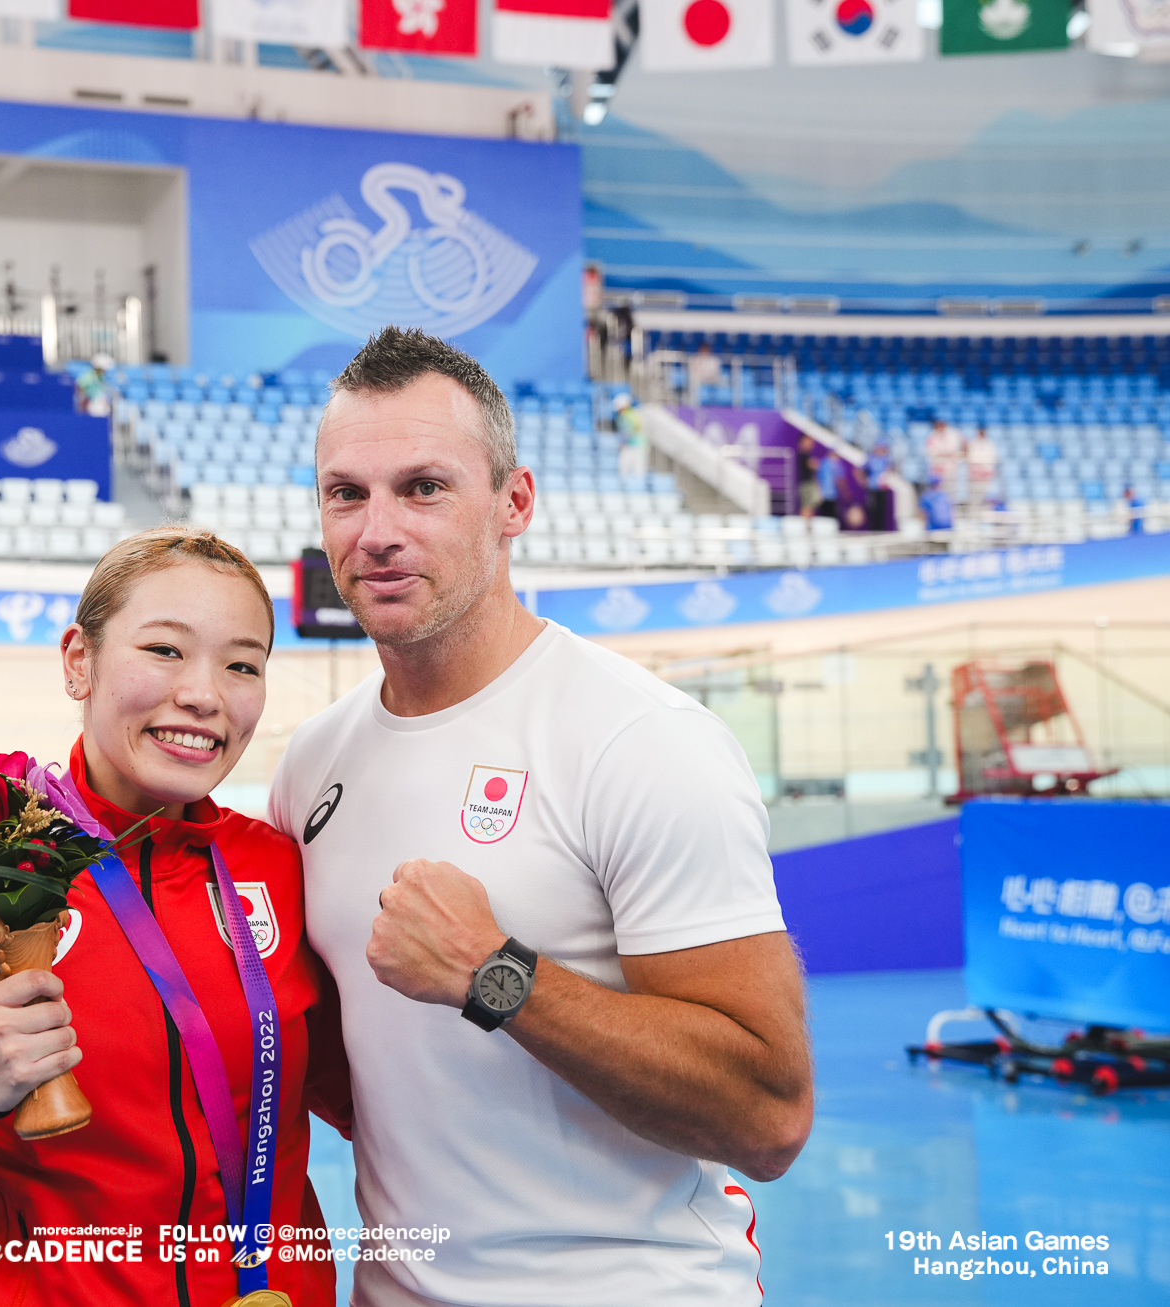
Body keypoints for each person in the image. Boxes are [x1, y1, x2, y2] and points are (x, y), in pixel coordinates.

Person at [268, 327, 811, 1307]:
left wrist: (496, 975)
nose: (376, 529)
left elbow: (768, 1115)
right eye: (346, 492)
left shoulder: (638, 738)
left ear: (513, 503)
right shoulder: (311, 763)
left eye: (423, 487)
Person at [0, 526, 348, 1307]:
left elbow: (371, 1101)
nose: (205, 693)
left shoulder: (279, 865)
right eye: (165, 650)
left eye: (242, 664)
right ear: (79, 661)